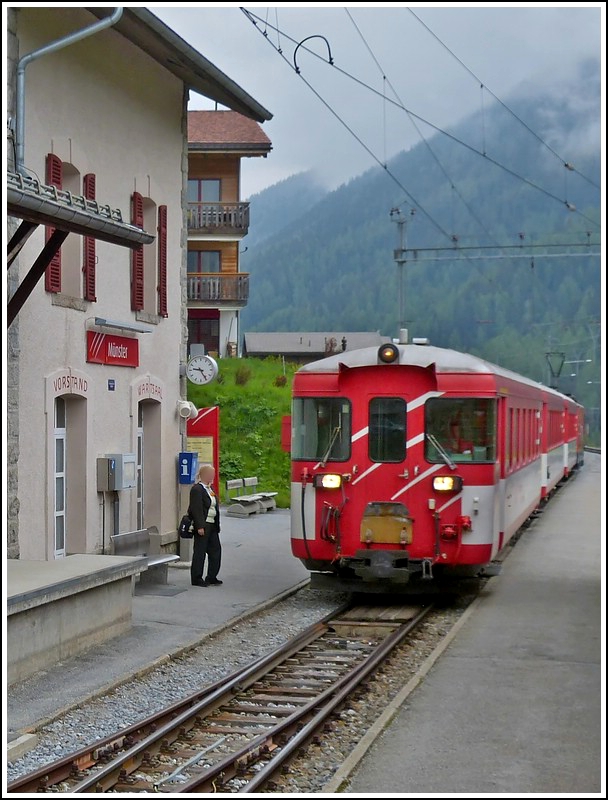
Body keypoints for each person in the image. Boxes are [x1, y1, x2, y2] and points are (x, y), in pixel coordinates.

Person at [188, 463, 222, 587]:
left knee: (215, 550)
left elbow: (214, 506)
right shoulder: (197, 489)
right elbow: (196, 509)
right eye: (210, 474)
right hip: (203, 524)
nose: (212, 476)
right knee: (200, 552)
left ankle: (212, 576)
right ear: (203, 475)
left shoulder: (210, 489)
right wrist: (199, 526)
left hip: (212, 524)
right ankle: (197, 578)